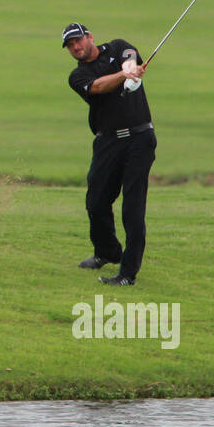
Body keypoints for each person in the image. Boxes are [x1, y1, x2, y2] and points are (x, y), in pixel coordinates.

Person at [62, 22, 154, 286]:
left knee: (132, 208)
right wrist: (124, 77)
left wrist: (130, 69)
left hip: (139, 138)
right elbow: (99, 87)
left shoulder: (117, 47)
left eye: (78, 40)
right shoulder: (77, 76)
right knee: (96, 202)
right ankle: (107, 251)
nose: (75, 47)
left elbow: (130, 57)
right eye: (70, 45)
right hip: (108, 142)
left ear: (90, 37)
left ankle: (128, 273)